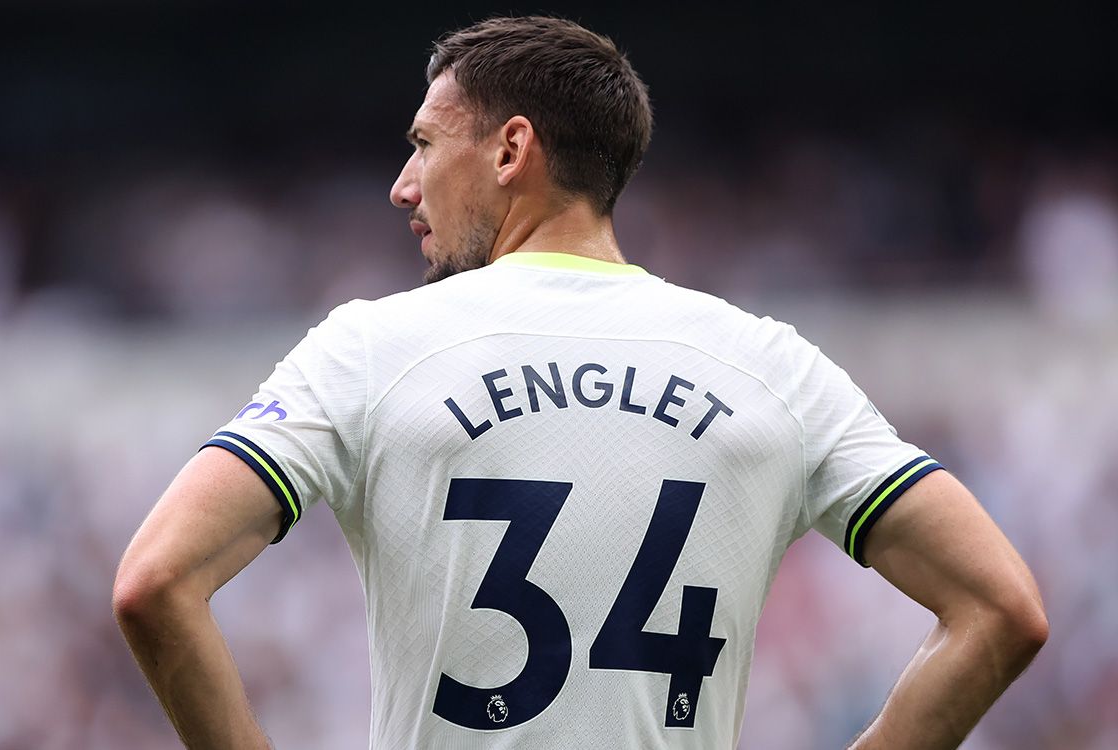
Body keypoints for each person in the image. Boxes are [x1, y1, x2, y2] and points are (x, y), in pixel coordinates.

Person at [112, 16, 1048, 750]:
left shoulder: (371, 347)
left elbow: (154, 582)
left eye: (426, 145)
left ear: (511, 150)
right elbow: (1001, 610)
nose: (404, 186)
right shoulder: (770, 366)